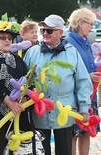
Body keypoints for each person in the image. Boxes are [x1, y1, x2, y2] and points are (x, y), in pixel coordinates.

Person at [23, 14, 93, 155]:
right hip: (40, 113)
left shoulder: (72, 52)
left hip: (64, 112)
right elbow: (24, 80)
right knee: (41, 151)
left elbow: (83, 81)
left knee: (65, 151)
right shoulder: (32, 52)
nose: (45, 34)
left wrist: (84, 107)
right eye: (43, 30)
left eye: (49, 30)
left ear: (60, 32)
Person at [0, 19, 33, 155]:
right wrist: (6, 99)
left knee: (17, 149)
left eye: (10, 38)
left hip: (17, 113)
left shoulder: (18, 60)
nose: (7, 41)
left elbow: (27, 81)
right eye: (2, 38)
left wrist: (24, 98)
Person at [65, 8, 101, 155]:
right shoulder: (69, 41)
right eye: (90, 23)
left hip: (89, 93)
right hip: (74, 95)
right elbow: (68, 69)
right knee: (73, 134)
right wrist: (88, 75)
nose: (92, 27)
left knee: (86, 131)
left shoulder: (85, 41)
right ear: (80, 23)